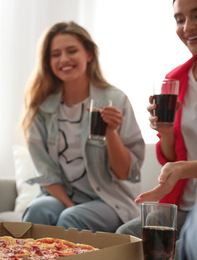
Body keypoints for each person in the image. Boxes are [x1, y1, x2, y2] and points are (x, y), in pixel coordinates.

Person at [20, 21, 145, 233]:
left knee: (72, 219)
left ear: (88, 54)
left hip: (108, 199)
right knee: (38, 211)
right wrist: (69, 204)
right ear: (48, 61)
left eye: (71, 51)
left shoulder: (115, 99)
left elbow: (124, 172)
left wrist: (111, 132)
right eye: (55, 54)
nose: (64, 59)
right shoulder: (42, 109)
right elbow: (46, 173)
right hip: (62, 196)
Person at [116, 0, 197, 258]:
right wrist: (167, 131)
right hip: (184, 204)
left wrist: (185, 168)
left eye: (196, 16)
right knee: (124, 239)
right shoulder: (176, 79)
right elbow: (171, 157)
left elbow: (180, 166)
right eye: (179, 19)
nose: (187, 27)